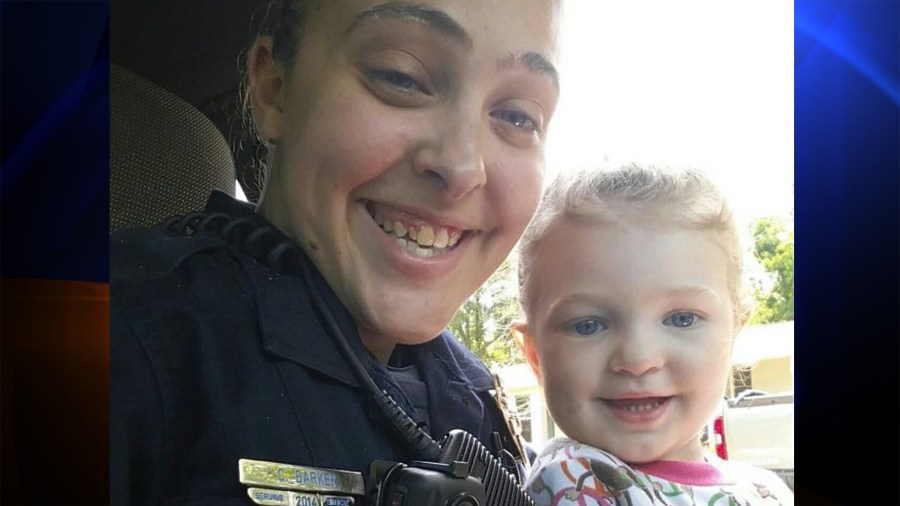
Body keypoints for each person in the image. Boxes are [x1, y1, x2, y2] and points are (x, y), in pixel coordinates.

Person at [110, 0, 562, 503]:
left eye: (519, 117)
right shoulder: (117, 341)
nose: (461, 166)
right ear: (275, 90)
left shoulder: (475, 394)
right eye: (401, 77)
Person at [512, 164, 794, 505]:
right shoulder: (577, 482)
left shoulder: (765, 488)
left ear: (733, 333)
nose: (638, 359)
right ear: (535, 355)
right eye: (588, 325)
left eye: (682, 319)